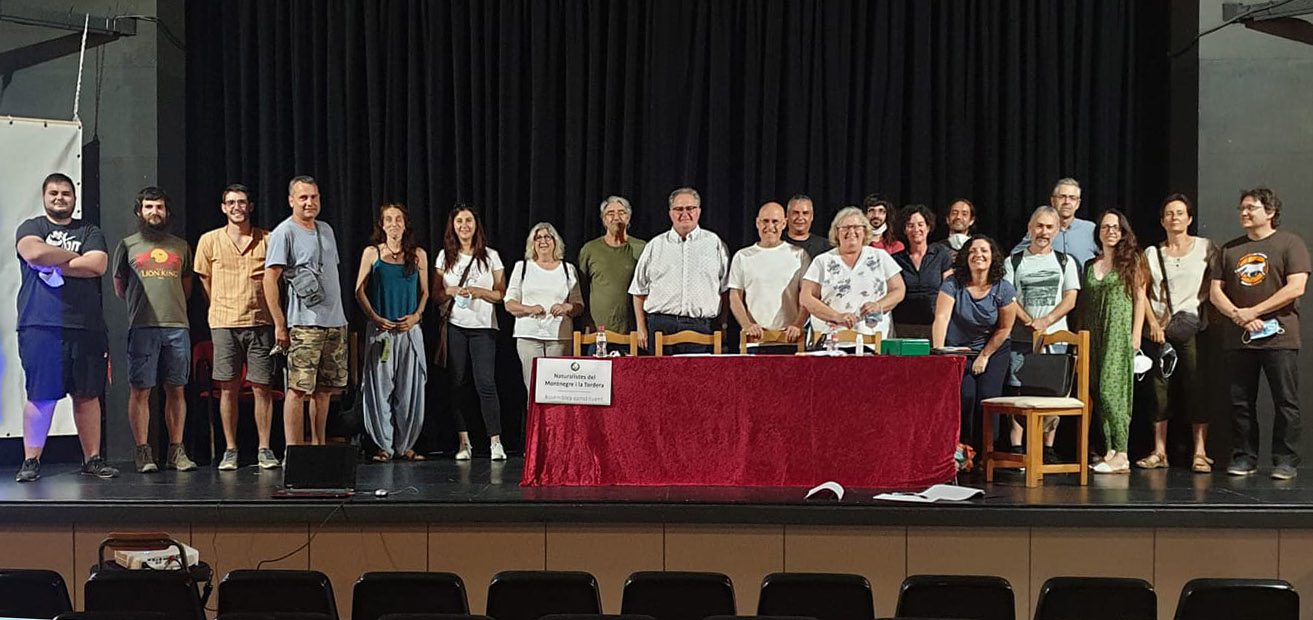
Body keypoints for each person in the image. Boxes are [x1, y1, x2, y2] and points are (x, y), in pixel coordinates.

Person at [14, 173, 119, 481]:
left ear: (74, 198)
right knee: (41, 395)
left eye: (66, 193)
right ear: (45, 197)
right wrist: (76, 258)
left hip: (86, 326)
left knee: (87, 395)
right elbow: (34, 252)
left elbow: (97, 265)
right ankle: (31, 461)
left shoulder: (90, 231)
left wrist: (54, 260)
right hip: (40, 324)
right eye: (54, 193)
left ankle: (92, 459)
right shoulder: (32, 227)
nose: (60, 198)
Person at [1210, 187, 1310, 480]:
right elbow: (1215, 292)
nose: (1244, 213)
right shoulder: (1230, 249)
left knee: (1285, 401)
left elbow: (1296, 287)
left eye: (1251, 208)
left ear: (1270, 212)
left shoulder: (1290, 243)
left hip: (1280, 336)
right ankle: (1244, 457)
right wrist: (1238, 315)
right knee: (1240, 402)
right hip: (1239, 337)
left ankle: (1286, 460)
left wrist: (1254, 311)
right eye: (1241, 208)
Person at [194, 183, 280, 471]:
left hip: (260, 322)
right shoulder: (209, 240)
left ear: (250, 206)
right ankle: (230, 450)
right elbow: (205, 280)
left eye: (242, 202)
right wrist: (220, 305)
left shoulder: (268, 239)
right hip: (224, 323)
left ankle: (264, 448)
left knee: (262, 388)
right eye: (231, 202)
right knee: (227, 388)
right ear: (223, 208)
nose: (237, 207)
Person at [112, 186, 198, 474]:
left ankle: (176, 451)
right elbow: (120, 287)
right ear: (139, 211)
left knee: (176, 388)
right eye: (148, 207)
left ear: (167, 211)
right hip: (142, 326)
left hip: (177, 327)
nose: (154, 212)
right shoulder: (127, 245)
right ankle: (142, 451)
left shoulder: (181, 246)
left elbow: (186, 288)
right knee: (140, 390)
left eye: (159, 207)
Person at [264, 175, 349, 448]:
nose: (309, 202)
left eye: (314, 197)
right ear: (291, 200)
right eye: (303, 197)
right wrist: (280, 324)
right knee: (298, 389)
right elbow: (270, 279)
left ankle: (318, 447)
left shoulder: (326, 229)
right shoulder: (284, 232)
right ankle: (294, 451)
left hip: (335, 322)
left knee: (324, 390)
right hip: (304, 324)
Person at [1137, 194, 1217, 473]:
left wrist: (1197, 302)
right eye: (1169, 213)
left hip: (1193, 328)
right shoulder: (1152, 253)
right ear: (1162, 220)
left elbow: (1216, 281)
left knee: (1196, 387)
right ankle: (1159, 451)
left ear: (1189, 218)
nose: (1175, 218)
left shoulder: (1206, 248)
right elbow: (1141, 291)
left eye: (1180, 213)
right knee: (1159, 390)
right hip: (1160, 330)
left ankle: (1200, 452)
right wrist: (1152, 324)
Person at [1003, 206, 1081, 462]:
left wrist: (1046, 320)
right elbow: (1009, 298)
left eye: (1049, 227)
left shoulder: (1065, 262)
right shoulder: (1014, 261)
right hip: (1021, 338)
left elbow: (1070, 299)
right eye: (1039, 226)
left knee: (1052, 392)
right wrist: (1029, 321)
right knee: (1018, 391)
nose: (1043, 232)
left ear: (1056, 230)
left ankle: (1047, 448)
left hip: (1055, 338)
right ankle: (1017, 448)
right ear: (1030, 227)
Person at [353, 203, 429, 462]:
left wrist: (416, 316)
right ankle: (383, 445)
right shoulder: (372, 253)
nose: (394, 224)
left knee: (409, 389)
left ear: (405, 224)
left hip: (409, 330)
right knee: (380, 388)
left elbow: (425, 292)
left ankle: (406, 444)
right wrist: (375, 318)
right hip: (381, 331)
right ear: (382, 224)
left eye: (398, 219)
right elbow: (359, 290)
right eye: (389, 219)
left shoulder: (417, 255)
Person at [931, 235, 1018, 458]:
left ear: (993, 257)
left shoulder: (1003, 289)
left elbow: (1005, 327)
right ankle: (964, 452)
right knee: (966, 395)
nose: (978, 255)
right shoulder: (952, 283)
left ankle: (987, 452)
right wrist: (939, 353)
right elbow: (941, 318)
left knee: (987, 397)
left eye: (984, 251)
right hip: (959, 349)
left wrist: (985, 355)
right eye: (972, 251)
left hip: (993, 348)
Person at [435, 205, 507, 460]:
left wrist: (480, 292)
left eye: (468, 221)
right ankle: (463, 442)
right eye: (459, 221)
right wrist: (451, 291)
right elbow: (435, 295)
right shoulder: (444, 256)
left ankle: (495, 441)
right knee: (457, 383)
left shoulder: (491, 256)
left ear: (476, 225)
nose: (464, 226)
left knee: (486, 383)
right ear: (453, 226)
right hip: (455, 326)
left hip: (484, 327)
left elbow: (501, 294)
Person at [1080, 210, 1147, 475]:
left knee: (1112, 391)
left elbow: (1140, 298)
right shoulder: (1090, 265)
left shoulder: (1131, 261)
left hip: (1117, 333)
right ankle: (1109, 450)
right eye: (1105, 227)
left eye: (1116, 227)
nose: (1110, 231)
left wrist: (1136, 333)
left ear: (1123, 232)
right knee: (1097, 391)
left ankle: (1122, 452)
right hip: (1092, 333)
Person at [629, 187, 730, 354]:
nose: (685, 213)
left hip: (700, 327)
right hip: (660, 326)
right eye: (679, 209)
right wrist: (641, 328)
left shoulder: (714, 243)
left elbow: (725, 289)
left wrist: (722, 324)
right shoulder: (655, 245)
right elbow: (638, 291)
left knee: (697, 372)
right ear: (670, 213)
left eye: (690, 208)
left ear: (698, 211)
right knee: (658, 372)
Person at [801, 206, 905, 342]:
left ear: (865, 231)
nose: (851, 232)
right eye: (845, 228)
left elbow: (899, 290)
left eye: (856, 227)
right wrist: (836, 316)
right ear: (836, 232)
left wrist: (879, 305)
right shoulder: (822, 261)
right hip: (830, 341)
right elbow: (806, 298)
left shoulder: (880, 257)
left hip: (873, 340)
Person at [505, 223, 584, 388]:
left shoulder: (567, 269)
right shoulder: (523, 267)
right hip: (528, 336)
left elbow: (578, 305)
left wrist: (566, 307)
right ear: (532, 243)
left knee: (558, 387)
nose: (543, 241)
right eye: (538, 238)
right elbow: (509, 303)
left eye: (547, 237)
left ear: (555, 241)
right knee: (533, 387)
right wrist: (529, 309)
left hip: (559, 337)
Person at [728, 202, 810, 349]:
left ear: (784, 223)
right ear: (757, 223)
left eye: (775, 221)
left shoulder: (799, 255)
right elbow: (734, 296)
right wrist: (747, 325)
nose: (770, 226)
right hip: (755, 340)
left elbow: (807, 296)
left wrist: (798, 324)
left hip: (789, 339)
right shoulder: (742, 256)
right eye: (765, 221)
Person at [577, 196, 645, 335]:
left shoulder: (641, 248)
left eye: (621, 212)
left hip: (633, 332)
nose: (616, 217)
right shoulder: (590, 250)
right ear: (603, 219)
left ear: (628, 217)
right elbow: (581, 289)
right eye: (610, 213)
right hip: (598, 331)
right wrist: (587, 323)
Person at [892, 204, 953, 339]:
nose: (916, 229)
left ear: (928, 227)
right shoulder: (895, 260)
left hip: (936, 324)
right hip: (903, 325)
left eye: (920, 224)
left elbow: (949, 290)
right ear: (904, 230)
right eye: (910, 225)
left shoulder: (941, 255)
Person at [1013, 178, 1099, 267]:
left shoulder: (1090, 229)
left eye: (1072, 198)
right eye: (1062, 197)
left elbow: (1106, 255)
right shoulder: (1041, 230)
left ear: (1078, 203)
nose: (1067, 202)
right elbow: (1015, 256)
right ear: (1053, 201)